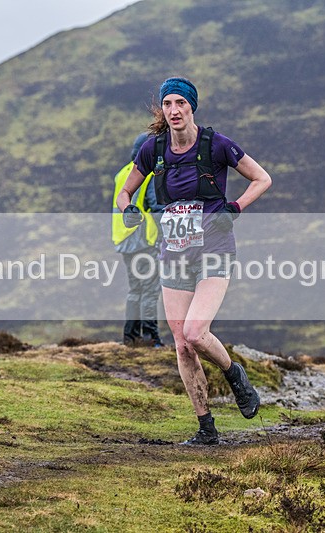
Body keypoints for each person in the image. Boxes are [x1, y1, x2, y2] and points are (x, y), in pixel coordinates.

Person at [116, 77, 272, 445]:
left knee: (195, 333)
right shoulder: (153, 150)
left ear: (191, 107)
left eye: (180, 104)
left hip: (214, 249)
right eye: (167, 104)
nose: (173, 111)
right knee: (182, 344)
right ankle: (206, 428)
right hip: (174, 254)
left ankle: (234, 375)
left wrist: (234, 208)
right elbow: (126, 190)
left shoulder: (216, 144)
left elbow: (262, 178)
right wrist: (128, 211)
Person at [112, 133, 164, 347]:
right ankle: (151, 338)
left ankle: (130, 337)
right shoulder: (148, 174)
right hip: (143, 240)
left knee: (135, 289)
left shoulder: (123, 173)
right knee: (150, 289)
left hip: (124, 240)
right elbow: (156, 206)